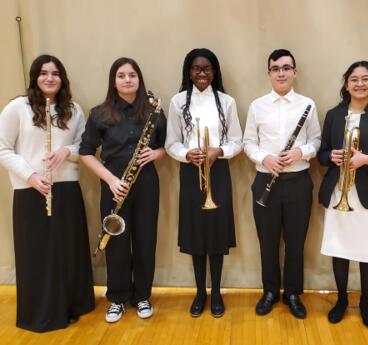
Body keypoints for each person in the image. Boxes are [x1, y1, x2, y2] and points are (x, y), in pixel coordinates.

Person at [0, 55, 95, 332]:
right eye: (43, 73)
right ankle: (41, 311)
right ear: (35, 77)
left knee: (66, 250)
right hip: (31, 189)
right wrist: (30, 176)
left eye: (55, 73)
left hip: (66, 188)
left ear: (62, 78)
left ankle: (70, 305)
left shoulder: (74, 109)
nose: (50, 78)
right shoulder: (17, 107)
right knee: (37, 253)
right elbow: (3, 148)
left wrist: (68, 151)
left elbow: (83, 146)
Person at [79, 57, 166, 323]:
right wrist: (110, 180)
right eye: (121, 75)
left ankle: (142, 296)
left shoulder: (154, 111)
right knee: (115, 241)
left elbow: (167, 147)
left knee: (145, 240)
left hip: (146, 184)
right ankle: (116, 298)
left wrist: (156, 154)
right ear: (113, 81)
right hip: (114, 185)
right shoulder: (100, 113)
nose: (127, 80)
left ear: (139, 79)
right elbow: (85, 153)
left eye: (132, 75)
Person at [317, 61, 368, 329]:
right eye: (354, 79)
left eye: (366, 79)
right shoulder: (333, 115)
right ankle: (341, 299)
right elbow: (321, 154)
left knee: (367, 249)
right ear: (346, 84)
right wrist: (331, 155)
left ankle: (365, 301)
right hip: (339, 192)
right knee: (338, 249)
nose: (360, 83)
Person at [243, 49, 321, 319]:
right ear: (269, 73)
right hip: (266, 179)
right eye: (275, 68)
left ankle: (293, 293)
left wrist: (301, 153)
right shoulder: (257, 106)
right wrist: (265, 158)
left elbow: (316, 141)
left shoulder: (308, 104)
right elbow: (248, 143)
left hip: (299, 182)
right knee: (267, 241)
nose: (281, 73)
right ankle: (269, 291)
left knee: (296, 242)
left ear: (294, 72)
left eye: (286, 68)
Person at [165, 48, 242, 318]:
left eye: (207, 69)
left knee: (217, 234)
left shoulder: (227, 101)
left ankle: (217, 292)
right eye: (196, 69)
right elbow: (171, 142)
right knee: (196, 234)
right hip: (190, 172)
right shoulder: (177, 102)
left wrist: (218, 151)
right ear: (189, 71)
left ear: (214, 72)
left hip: (218, 171)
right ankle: (200, 292)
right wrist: (186, 154)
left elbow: (237, 141)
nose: (201, 74)